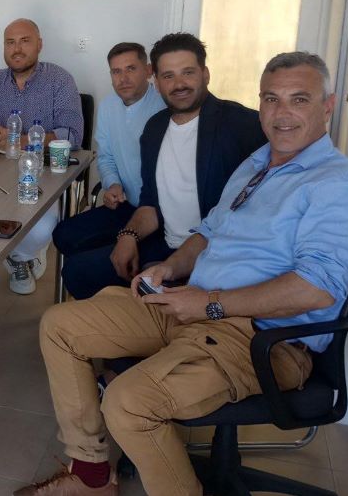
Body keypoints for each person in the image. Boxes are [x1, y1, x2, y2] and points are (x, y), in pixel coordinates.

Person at [14, 52, 348, 496]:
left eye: (299, 99)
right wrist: (170, 267)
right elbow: (209, 232)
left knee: (128, 402)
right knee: (60, 325)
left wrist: (209, 304)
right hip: (193, 304)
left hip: (259, 339)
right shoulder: (258, 163)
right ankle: (92, 478)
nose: (281, 113)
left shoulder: (338, 187)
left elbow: (317, 290)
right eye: (271, 99)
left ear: (327, 107)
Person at [55, 33, 266, 300]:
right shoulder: (155, 129)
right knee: (77, 271)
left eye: (187, 72)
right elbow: (150, 202)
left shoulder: (243, 125)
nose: (179, 84)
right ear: (157, 80)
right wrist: (128, 236)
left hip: (212, 253)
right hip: (165, 240)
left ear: (205, 74)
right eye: (168, 76)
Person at [0, 18, 83, 295]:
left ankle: (21, 257)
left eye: (25, 41)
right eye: (10, 42)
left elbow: (72, 135)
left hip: (42, 173)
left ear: (39, 45)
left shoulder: (59, 80)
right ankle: (8, 257)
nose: (17, 49)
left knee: (42, 227)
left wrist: (19, 140)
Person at [50, 42, 165, 295]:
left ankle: (117, 297)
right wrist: (112, 183)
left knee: (78, 271)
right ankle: (107, 287)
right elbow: (106, 156)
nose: (123, 78)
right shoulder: (109, 106)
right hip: (125, 205)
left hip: (159, 217)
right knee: (64, 234)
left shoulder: (163, 108)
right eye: (116, 71)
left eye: (131, 69)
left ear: (148, 70)